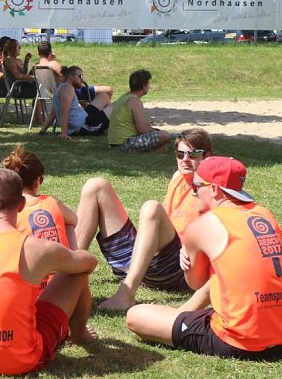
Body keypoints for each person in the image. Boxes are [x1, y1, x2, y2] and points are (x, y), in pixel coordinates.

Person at [126, 157, 282, 361]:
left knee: (135, 316)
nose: (193, 192)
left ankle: (183, 318)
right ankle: (183, 313)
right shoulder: (265, 214)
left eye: (196, 186)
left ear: (214, 189)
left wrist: (187, 258)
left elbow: (195, 282)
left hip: (239, 341)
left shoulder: (204, 225)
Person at [0, 169, 97, 375]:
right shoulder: (36, 249)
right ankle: (79, 335)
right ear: (22, 205)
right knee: (77, 272)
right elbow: (89, 263)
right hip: (19, 359)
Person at [75, 128, 214, 311]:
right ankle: (67, 272)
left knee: (151, 208)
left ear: (207, 156)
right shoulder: (178, 178)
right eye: (180, 154)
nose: (185, 160)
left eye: (193, 154)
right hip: (149, 261)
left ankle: (126, 294)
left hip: (177, 269)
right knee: (96, 186)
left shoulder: (213, 189)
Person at [108, 69, 173, 152]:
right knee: (164, 135)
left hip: (115, 143)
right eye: (148, 84)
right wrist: (157, 132)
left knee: (162, 143)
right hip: (125, 143)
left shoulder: (124, 98)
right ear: (144, 86)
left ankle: (155, 150)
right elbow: (142, 129)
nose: (149, 86)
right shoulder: (134, 101)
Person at [35, 40, 112, 104]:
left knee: (87, 102)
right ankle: (100, 114)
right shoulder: (53, 64)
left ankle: (92, 113)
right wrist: (54, 60)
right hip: (70, 92)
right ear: (51, 52)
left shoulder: (36, 67)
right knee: (108, 90)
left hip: (56, 94)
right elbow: (69, 76)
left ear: (38, 53)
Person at [52, 65, 112, 139]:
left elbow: (53, 113)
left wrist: (42, 131)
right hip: (84, 126)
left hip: (84, 118)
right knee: (116, 105)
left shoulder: (61, 87)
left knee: (104, 95)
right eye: (80, 76)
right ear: (71, 76)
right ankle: (114, 127)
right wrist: (64, 133)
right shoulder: (68, 89)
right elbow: (64, 111)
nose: (82, 80)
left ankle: (110, 125)